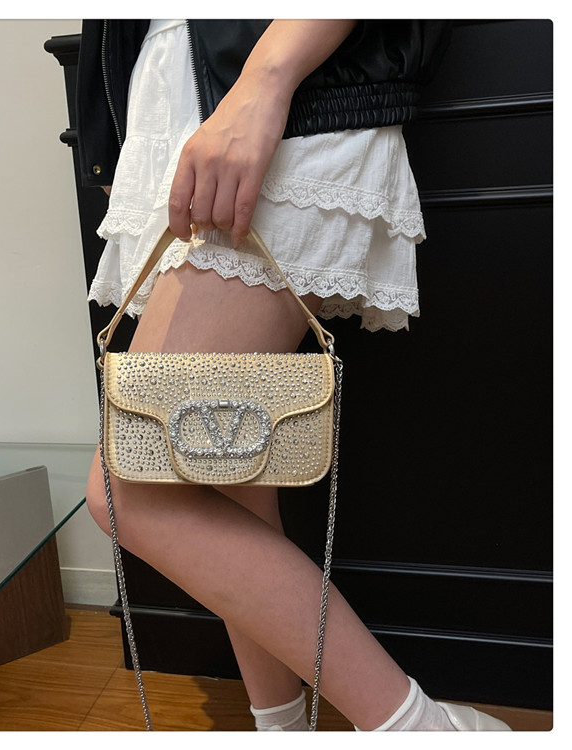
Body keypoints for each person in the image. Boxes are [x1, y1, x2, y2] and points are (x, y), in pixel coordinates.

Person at [76, 19, 511, 731]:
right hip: (181, 107)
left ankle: (422, 730)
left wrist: (265, 81)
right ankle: (280, 729)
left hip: (277, 91)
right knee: (225, 477)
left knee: (132, 487)